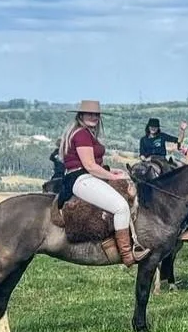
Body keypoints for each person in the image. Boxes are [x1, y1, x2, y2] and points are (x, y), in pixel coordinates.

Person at [57, 100, 146, 266]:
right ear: (81, 115)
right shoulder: (82, 134)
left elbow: (93, 165)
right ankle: (127, 255)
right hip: (81, 179)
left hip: (85, 176)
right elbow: (90, 166)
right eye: (89, 113)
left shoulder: (85, 133)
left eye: (96, 114)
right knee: (121, 207)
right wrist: (113, 178)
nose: (93, 117)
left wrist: (112, 172)